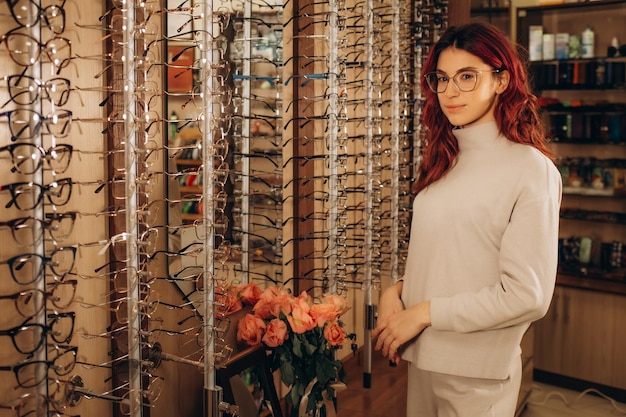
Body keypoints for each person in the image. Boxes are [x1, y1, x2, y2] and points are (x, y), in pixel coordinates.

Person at [372, 22, 562, 417]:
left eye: (467, 76)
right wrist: (400, 291)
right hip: (424, 359)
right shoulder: (446, 159)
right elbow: (459, 255)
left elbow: (527, 295)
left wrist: (423, 313)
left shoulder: (530, 169)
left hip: (477, 375)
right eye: (441, 79)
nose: (451, 91)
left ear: (501, 80)